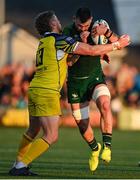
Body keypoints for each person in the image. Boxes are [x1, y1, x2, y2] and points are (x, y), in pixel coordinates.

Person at [8, 10, 130, 176]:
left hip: (35, 89)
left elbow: (71, 58)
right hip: (47, 91)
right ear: (52, 24)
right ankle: (21, 165)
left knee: (33, 130)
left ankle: (18, 162)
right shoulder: (60, 39)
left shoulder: (44, 41)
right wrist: (117, 44)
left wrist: (99, 49)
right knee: (51, 135)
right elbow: (89, 50)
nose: (59, 22)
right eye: (56, 19)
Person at [63, 7, 130, 172]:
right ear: (74, 20)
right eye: (80, 25)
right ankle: (95, 149)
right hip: (76, 84)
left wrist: (106, 32)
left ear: (91, 20)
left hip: (95, 78)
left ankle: (107, 146)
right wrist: (83, 43)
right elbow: (69, 62)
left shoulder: (98, 26)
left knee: (105, 105)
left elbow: (117, 43)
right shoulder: (67, 32)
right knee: (82, 124)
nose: (84, 29)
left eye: (86, 25)